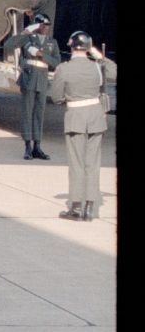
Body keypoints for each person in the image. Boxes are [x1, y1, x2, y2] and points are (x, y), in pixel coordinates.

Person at [50, 32, 117, 222]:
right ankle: (90, 206)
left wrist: (67, 100)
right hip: (96, 118)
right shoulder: (97, 67)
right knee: (92, 164)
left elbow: (56, 97)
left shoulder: (64, 69)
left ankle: (76, 206)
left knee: (77, 164)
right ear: (89, 49)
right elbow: (115, 73)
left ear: (71, 47)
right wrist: (101, 57)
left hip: (75, 119)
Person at [3, 12, 60, 160]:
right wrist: (25, 32)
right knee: (27, 113)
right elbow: (9, 45)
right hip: (29, 78)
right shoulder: (28, 38)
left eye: (47, 25)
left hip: (42, 79)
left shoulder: (52, 42)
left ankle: (37, 147)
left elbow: (57, 62)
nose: (46, 28)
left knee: (39, 114)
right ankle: (27, 146)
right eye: (43, 25)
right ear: (37, 25)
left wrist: (43, 56)